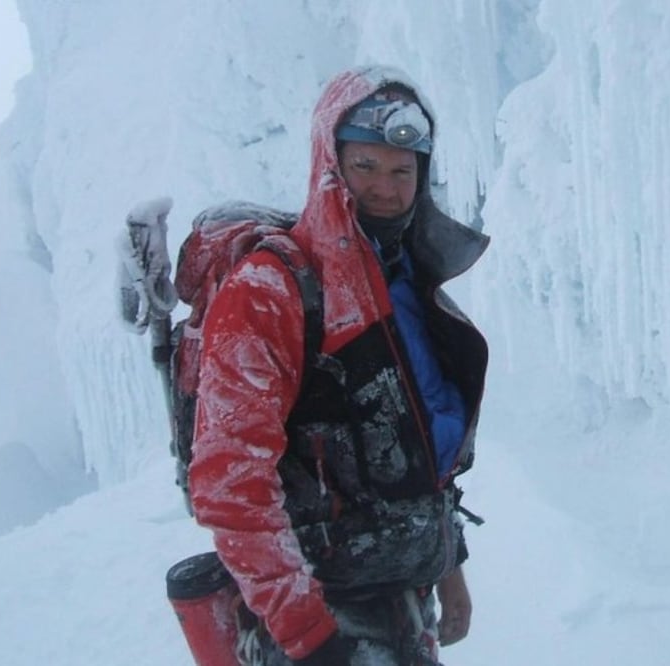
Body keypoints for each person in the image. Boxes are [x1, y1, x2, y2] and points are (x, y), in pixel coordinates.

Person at [187, 65, 489, 666]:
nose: (385, 188)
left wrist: (448, 562)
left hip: (404, 600)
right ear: (330, 164)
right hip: (321, 616)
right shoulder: (268, 291)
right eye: (366, 166)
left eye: (402, 171)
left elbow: (417, 443)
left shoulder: (405, 282)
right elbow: (231, 482)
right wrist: (309, 637)